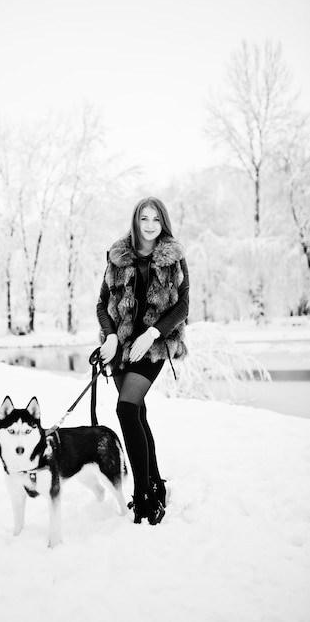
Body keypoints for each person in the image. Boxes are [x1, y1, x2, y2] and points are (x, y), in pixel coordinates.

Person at [96, 196, 189, 525]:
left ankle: (145, 494)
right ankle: (156, 483)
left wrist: (152, 334)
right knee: (138, 414)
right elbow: (102, 304)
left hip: (152, 347)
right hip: (121, 347)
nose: (150, 225)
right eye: (144, 219)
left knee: (126, 409)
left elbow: (182, 308)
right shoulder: (118, 256)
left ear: (163, 222)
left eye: (156, 220)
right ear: (136, 221)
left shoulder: (173, 257)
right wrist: (109, 337)